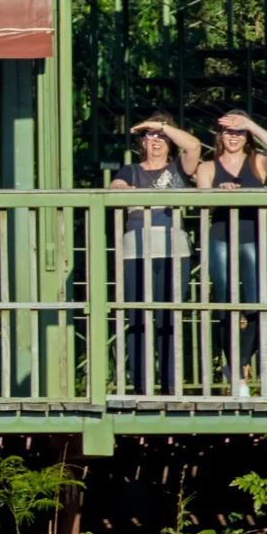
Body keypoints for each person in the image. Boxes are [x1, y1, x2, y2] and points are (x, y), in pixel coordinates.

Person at [196, 110, 267, 397]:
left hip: (253, 236)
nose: (233, 136)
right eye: (228, 131)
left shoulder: (257, 162)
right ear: (220, 136)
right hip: (221, 237)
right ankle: (238, 376)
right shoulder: (207, 167)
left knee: (257, 305)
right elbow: (204, 207)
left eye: (239, 132)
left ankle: (237, 368)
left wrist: (250, 123)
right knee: (225, 304)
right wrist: (217, 194)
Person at [109, 112, 201, 395]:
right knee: (137, 318)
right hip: (135, 250)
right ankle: (139, 386)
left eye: (162, 135)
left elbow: (195, 147)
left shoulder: (179, 170)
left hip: (173, 250)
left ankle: (170, 386)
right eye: (150, 136)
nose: (156, 140)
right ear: (142, 142)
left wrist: (159, 125)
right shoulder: (130, 170)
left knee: (168, 318)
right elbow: (114, 189)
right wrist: (122, 189)